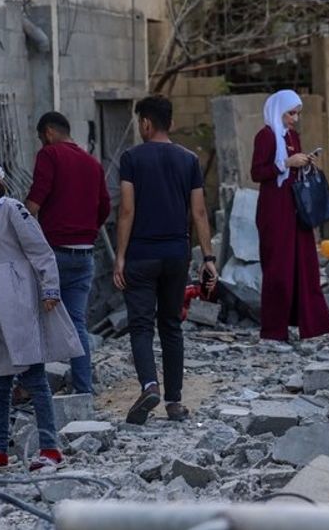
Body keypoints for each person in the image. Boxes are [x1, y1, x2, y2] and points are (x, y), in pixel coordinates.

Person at [0, 154, 84, 475]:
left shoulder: (11, 209)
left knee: (33, 377)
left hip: (21, 302)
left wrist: (50, 288)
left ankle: (50, 449)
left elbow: (40, 250)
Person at [113, 96, 217, 425]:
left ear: (145, 123)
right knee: (171, 325)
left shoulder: (131, 158)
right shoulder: (188, 160)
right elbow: (199, 212)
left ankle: (149, 385)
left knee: (141, 326)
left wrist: (120, 257)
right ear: (169, 123)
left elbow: (127, 210)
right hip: (177, 254)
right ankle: (174, 402)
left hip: (141, 255)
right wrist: (208, 258)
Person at [25, 111, 111, 396]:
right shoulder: (93, 164)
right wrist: (86, 230)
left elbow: (35, 202)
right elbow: (104, 208)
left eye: (40, 138)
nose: (41, 144)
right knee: (77, 324)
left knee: (35, 318)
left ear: (48, 132)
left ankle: (33, 389)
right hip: (85, 255)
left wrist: (16, 227)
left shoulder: (50, 155)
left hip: (53, 255)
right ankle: (82, 390)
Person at [251, 90, 329, 342]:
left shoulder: (292, 137)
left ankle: (312, 325)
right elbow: (257, 173)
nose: (294, 118)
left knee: (305, 265)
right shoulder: (265, 136)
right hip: (275, 211)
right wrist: (286, 164)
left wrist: (304, 162)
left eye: (297, 113)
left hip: (296, 208)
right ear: (278, 111)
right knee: (278, 268)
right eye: (290, 113)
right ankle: (274, 331)